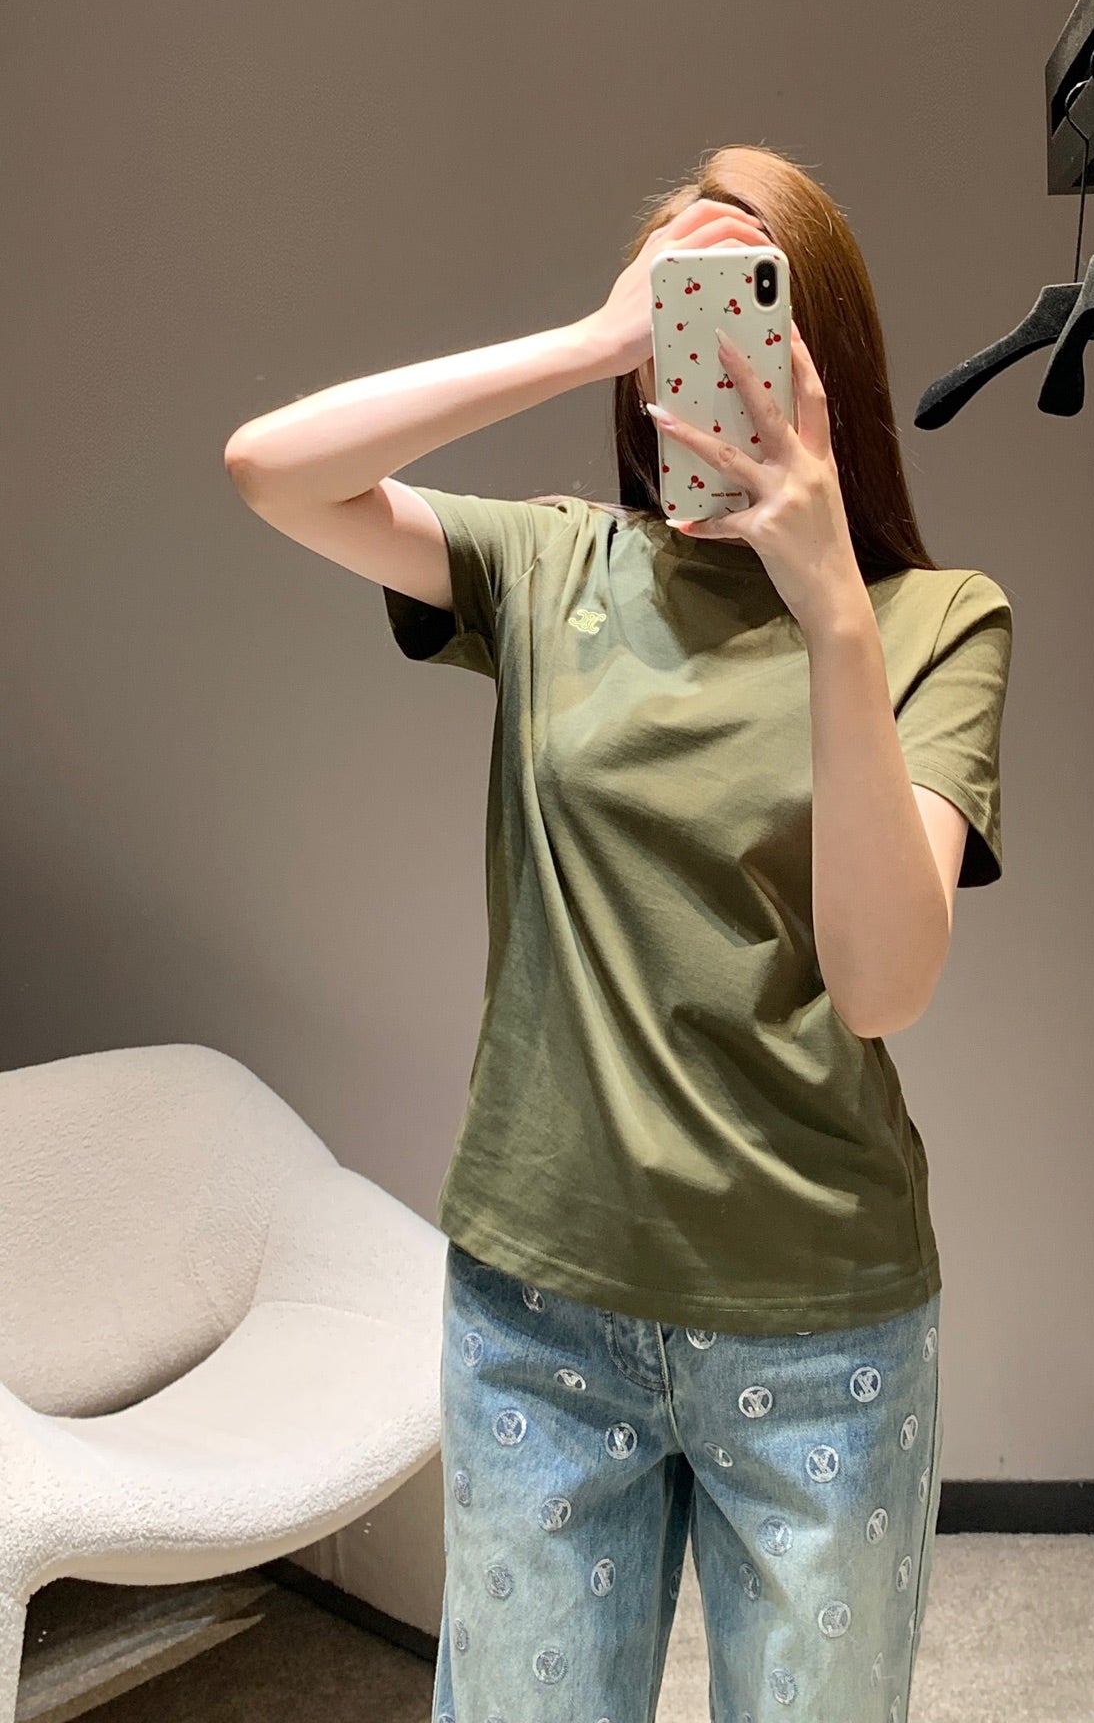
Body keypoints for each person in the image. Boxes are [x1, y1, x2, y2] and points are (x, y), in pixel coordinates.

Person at [224, 144, 1012, 1723]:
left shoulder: (937, 623)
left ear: (826, 359)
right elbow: (273, 468)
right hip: (540, 1314)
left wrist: (830, 606)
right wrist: (589, 337)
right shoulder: (553, 563)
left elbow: (884, 983)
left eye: (744, 320)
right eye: (677, 325)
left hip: (822, 1332)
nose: (701, 367)